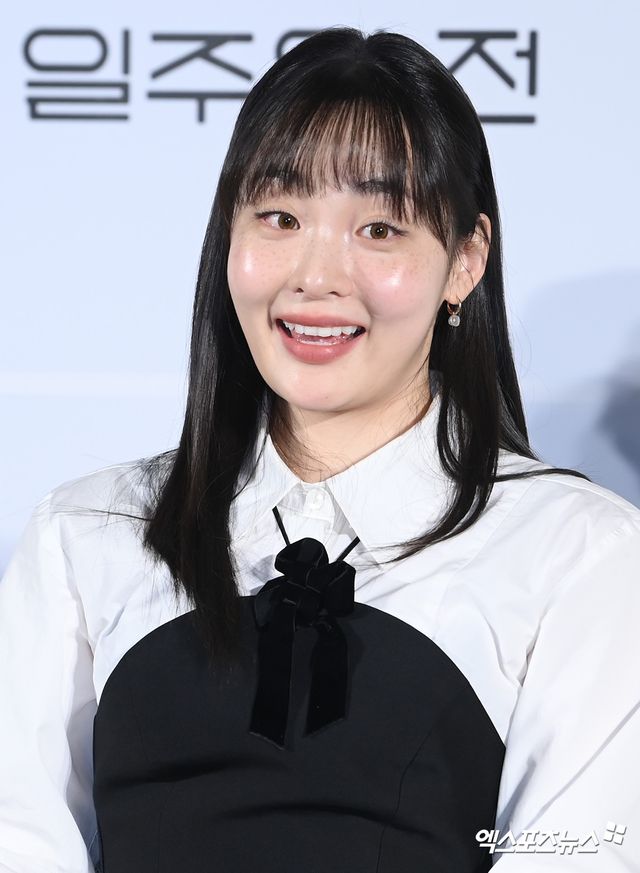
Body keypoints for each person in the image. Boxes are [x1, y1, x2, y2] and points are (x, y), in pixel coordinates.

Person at [1, 26, 639, 873]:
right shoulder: (87, 535)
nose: (316, 275)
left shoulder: (577, 553)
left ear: (465, 261)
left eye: (379, 228)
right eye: (280, 217)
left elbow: (580, 852)